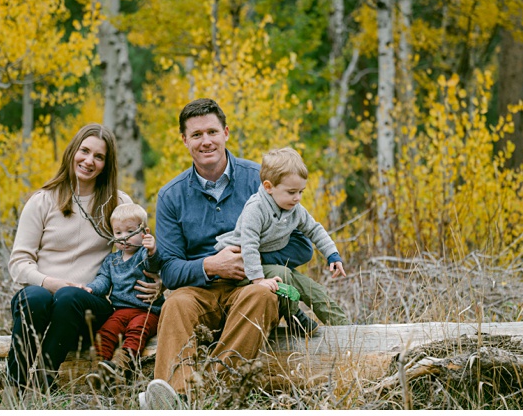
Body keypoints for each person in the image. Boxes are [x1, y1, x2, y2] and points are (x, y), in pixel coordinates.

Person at [141, 98, 317, 410]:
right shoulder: (171, 196)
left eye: (212, 131)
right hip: (199, 291)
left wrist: (251, 260)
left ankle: (211, 393)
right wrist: (211, 265)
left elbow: (303, 246)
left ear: (226, 132)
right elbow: (168, 270)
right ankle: (175, 397)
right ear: (184, 140)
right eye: (196, 135)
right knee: (176, 303)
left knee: (263, 297)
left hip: (248, 287)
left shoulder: (259, 180)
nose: (205, 141)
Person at [5, 124, 160, 396]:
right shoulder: (42, 201)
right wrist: (49, 282)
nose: (89, 161)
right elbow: (18, 263)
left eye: (98, 157)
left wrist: (158, 281)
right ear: (72, 152)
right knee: (36, 298)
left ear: (106, 164)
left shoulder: (117, 202)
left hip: (88, 305)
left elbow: (137, 250)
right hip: (42, 296)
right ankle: (14, 387)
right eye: (84, 151)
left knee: (69, 297)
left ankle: (43, 382)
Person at [214, 147, 348, 332]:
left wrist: (332, 255)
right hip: (244, 268)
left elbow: (314, 229)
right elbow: (249, 246)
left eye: (301, 191)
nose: (297, 198)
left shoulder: (294, 209)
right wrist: (259, 280)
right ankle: (295, 319)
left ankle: (346, 329)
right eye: (292, 192)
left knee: (313, 290)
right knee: (283, 275)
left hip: (265, 265)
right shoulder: (256, 209)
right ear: (269, 187)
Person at [83, 203, 163, 390]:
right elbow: (104, 280)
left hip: (147, 311)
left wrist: (152, 250)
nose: (123, 237)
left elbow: (155, 266)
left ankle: (122, 364)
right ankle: (99, 368)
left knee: (137, 330)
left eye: (130, 231)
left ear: (144, 232)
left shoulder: (144, 254)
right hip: (121, 310)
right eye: (118, 233)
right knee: (106, 331)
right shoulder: (112, 260)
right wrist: (92, 289)